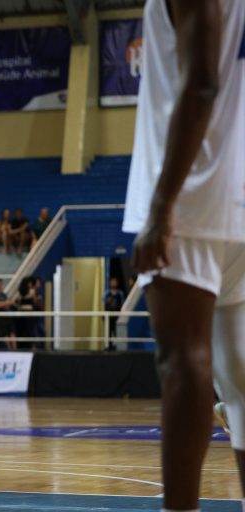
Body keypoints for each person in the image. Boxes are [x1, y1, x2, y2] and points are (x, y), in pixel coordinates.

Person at [122, 1, 245, 510]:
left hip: (194, 192)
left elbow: (202, 84)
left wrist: (161, 206)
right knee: (239, 385)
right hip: (236, 187)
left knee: (183, 359)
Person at [103, 277, 125, 350]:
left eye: (115, 281)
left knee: (117, 331)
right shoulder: (106, 293)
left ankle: (117, 347)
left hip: (117, 316)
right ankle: (108, 346)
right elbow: (104, 301)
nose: (113, 283)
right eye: (112, 281)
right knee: (108, 331)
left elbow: (122, 304)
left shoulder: (120, 293)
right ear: (110, 283)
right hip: (108, 316)